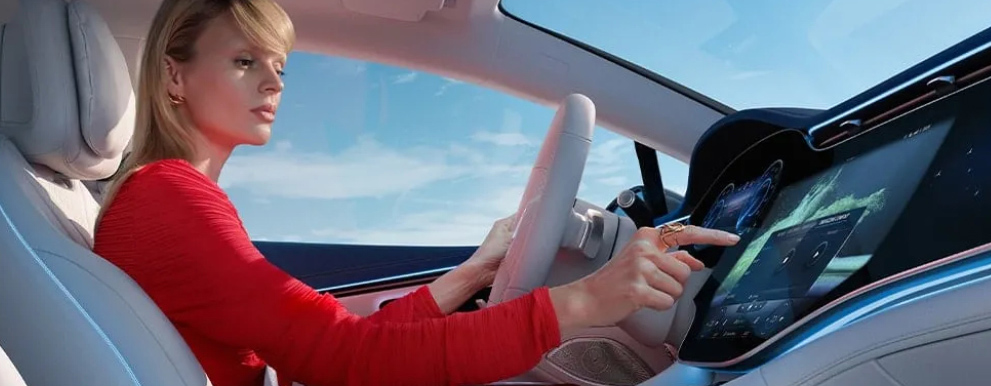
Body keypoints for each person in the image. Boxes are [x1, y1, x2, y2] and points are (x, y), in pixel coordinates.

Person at [93, 1, 740, 386]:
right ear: (175, 75)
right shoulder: (168, 200)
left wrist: (475, 272)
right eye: (245, 61)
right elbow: (345, 357)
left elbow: (326, 343)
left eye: (279, 66)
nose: (274, 83)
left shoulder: (169, 198)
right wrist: (585, 299)